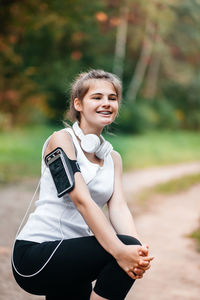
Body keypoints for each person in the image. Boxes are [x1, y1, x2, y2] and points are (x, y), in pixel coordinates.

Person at [12, 69, 154, 300]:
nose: (106, 103)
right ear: (78, 104)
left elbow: (118, 207)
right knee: (123, 247)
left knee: (131, 247)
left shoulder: (112, 158)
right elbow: (81, 200)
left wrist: (138, 251)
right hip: (37, 254)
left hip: (71, 255)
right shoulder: (60, 140)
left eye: (112, 98)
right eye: (97, 97)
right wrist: (120, 250)